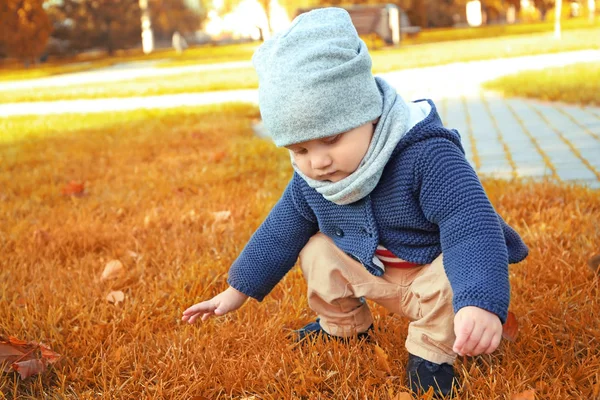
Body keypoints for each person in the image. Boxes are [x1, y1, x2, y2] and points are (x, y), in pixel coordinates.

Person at [182, 7, 528, 397]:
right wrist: (235, 291)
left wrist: (480, 301)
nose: (318, 161)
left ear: (369, 113)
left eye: (331, 140)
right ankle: (344, 329)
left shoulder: (427, 156)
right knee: (315, 250)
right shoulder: (314, 180)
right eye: (300, 149)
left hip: (433, 280)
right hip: (377, 275)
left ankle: (432, 354)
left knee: (452, 273)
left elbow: (471, 225)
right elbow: (279, 233)